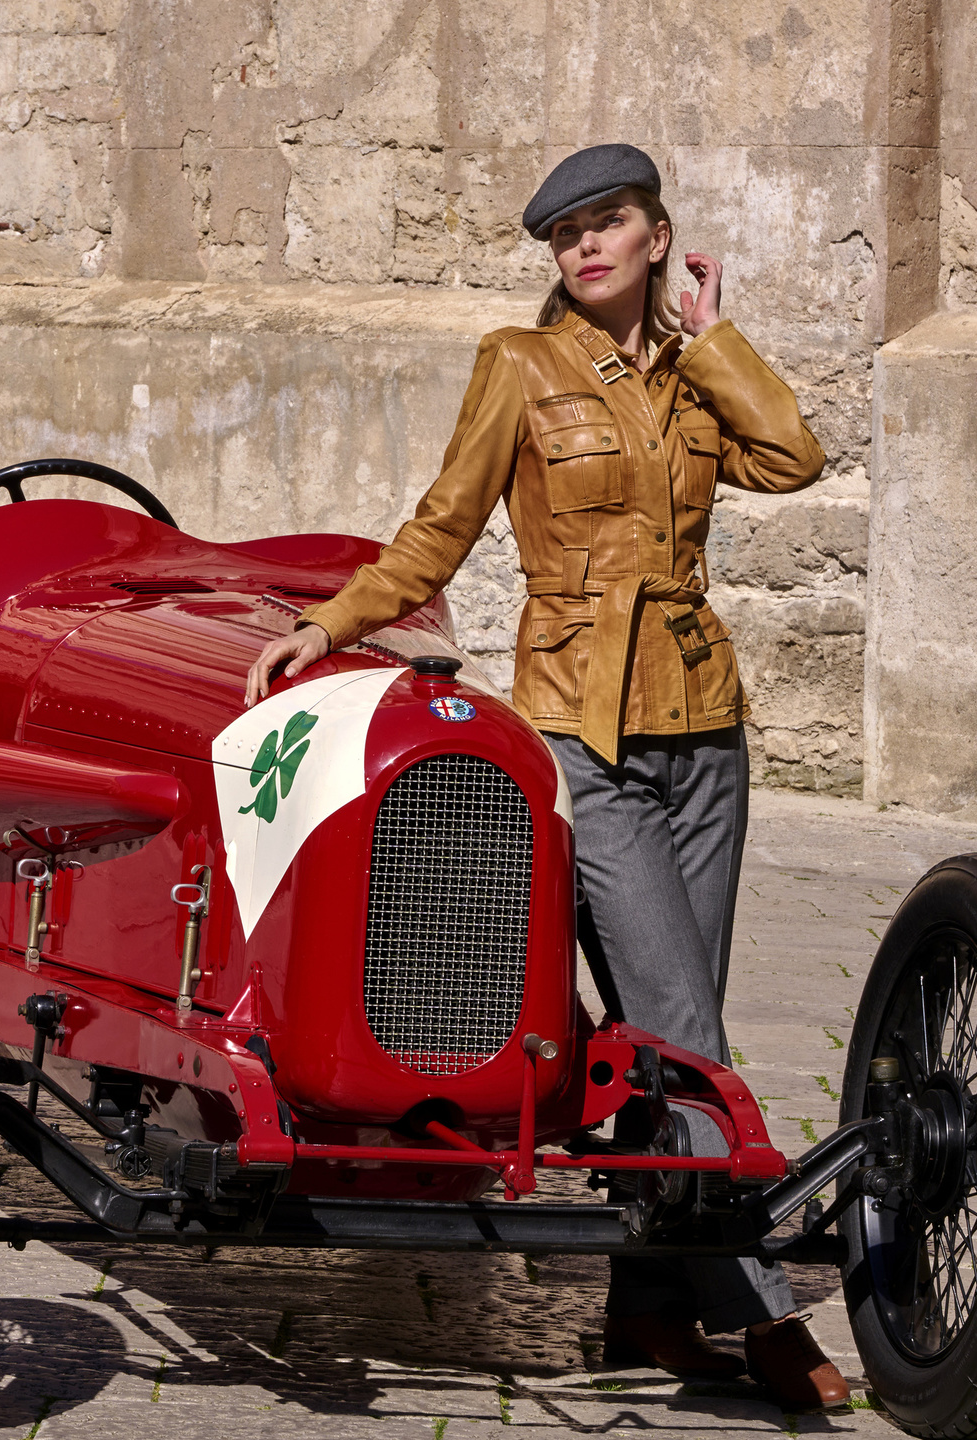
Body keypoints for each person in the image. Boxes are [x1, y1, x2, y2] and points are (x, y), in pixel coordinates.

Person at [245, 144, 848, 1410]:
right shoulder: (518, 367)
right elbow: (442, 524)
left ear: (653, 237)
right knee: (688, 1031)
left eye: (608, 223)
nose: (584, 247)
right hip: (581, 730)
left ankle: (642, 1307)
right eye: (565, 232)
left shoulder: (689, 381)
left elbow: (794, 456)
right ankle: (759, 1314)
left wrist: (716, 341)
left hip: (704, 728)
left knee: (656, 1032)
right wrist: (337, 621)